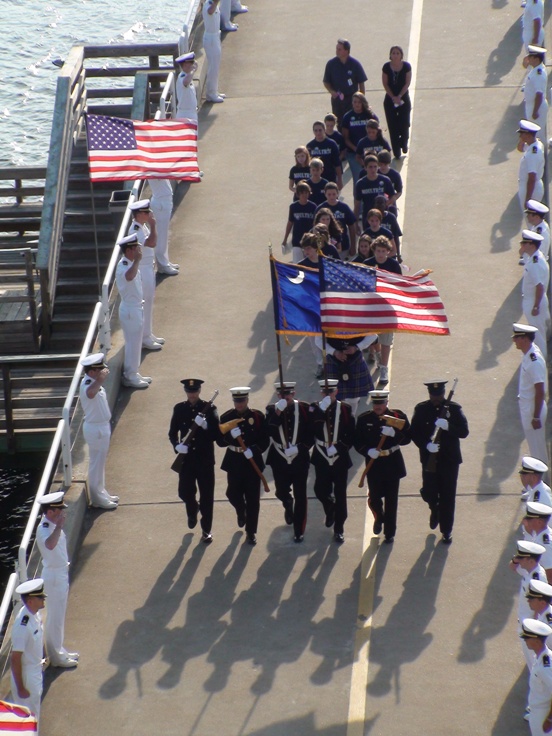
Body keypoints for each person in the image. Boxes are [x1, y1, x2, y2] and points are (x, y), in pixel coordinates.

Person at [410, 380, 469, 544]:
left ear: (443, 394)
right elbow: (414, 433)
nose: (436, 398)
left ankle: (446, 530)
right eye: (433, 395)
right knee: (428, 491)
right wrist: (426, 445)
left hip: (449, 460)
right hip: (429, 458)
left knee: (448, 496)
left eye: (439, 395)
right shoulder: (421, 409)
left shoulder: (454, 409)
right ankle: (434, 508)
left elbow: (464, 432)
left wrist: (449, 426)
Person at [354, 390, 410, 543]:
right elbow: (357, 441)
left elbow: (408, 439)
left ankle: (390, 533)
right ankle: (379, 517)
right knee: (374, 498)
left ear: (387, 403)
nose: (378, 406)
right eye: (375, 403)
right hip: (374, 464)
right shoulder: (364, 419)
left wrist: (394, 434)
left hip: (392, 462)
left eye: (381, 403)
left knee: (392, 501)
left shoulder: (398, 417)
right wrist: (367, 451)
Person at [168, 378, 220, 544]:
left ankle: (206, 530)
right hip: (187, 460)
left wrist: (206, 426)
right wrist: (177, 446)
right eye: (189, 391)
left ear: (199, 392)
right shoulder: (179, 408)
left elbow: (216, 436)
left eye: (195, 391)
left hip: (205, 460)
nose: (192, 394)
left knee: (207, 497)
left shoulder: (210, 408)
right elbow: (172, 433)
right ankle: (192, 509)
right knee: (184, 492)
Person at [217, 387, 270, 545]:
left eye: (242, 401)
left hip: (252, 462)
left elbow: (265, 440)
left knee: (253, 499)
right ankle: (241, 510)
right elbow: (219, 441)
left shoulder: (257, 416)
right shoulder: (227, 417)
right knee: (232, 493)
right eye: (236, 401)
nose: (239, 404)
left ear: (247, 400)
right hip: (234, 460)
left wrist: (254, 450)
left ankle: (251, 531)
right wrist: (228, 437)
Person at [265, 382, 314, 542]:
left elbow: (311, 434)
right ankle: (287, 502)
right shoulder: (272, 410)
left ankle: (299, 530)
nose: (285, 397)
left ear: (293, 394)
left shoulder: (304, 409)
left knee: (301, 495)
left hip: (299, 458)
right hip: (279, 457)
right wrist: (278, 412)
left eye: (288, 394)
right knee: (280, 491)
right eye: (281, 395)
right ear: (278, 396)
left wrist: (300, 448)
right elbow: (270, 430)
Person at [36, 491, 79, 669]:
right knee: (54, 618)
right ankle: (56, 657)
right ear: (51, 512)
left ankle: (59, 650)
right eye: (59, 511)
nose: (62, 513)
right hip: (53, 577)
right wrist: (59, 527)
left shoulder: (51, 525)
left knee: (59, 616)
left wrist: (58, 526)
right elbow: (50, 545)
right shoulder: (45, 527)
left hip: (60, 573)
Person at [309, 379, 355, 543]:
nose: (328, 394)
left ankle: (339, 528)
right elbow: (312, 429)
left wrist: (341, 447)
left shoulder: (345, 408)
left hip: (339, 456)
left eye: (331, 391)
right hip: (321, 454)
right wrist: (321, 409)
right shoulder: (314, 407)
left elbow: (351, 433)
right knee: (320, 489)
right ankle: (330, 508)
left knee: (340, 493)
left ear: (336, 391)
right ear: (322, 393)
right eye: (325, 392)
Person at [79, 353, 119, 508]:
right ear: (91, 372)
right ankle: (97, 498)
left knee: (100, 462)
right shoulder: (88, 384)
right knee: (96, 463)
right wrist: (100, 380)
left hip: (102, 427)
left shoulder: (94, 382)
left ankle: (101, 493)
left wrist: (100, 380)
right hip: (96, 429)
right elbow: (90, 393)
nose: (103, 372)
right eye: (100, 370)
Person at [363, 236, 402, 385]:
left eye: (383, 251)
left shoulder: (394, 265)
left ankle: (384, 367)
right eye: (378, 251)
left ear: (388, 251)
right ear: (374, 251)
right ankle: (377, 354)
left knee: (386, 340)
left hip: (387, 308)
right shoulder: (367, 264)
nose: (380, 254)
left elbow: (399, 286)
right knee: (372, 337)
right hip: (371, 307)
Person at [128, 199, 164, 351]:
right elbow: (152, 243)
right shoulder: (136, 230)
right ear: (139, 214)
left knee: (149, 302)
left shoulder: (141, 227)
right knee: (146, 303)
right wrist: (154, 225)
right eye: (146, 212)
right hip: (143, 270)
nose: (149, 214)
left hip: (148, 267)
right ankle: (144, 338)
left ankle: (148, 333)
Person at [115, 235, 151, 389]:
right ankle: (130, 376)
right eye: (136, 247)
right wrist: (137, 260)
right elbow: (129, 277)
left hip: (135, 308)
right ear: (129, 250)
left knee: (136, 343)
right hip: (130, 310)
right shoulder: (124, 265)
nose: (139, 249)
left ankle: (134, 372)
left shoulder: (130, 263)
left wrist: (136, 261)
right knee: (132, 343)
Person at [10, 579, 46, 724]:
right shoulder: (22, 626)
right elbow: (15, 658)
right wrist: (20, 688)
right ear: (30, 601)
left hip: (35, 670)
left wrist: (44, 655)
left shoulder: (34, 613)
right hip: (27, 677)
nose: (43, 599)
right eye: (40, 597)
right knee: (29, 719)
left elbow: (38, 636)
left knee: (34, 714)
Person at [315, 334, 378, 416]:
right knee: (332, 395)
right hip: (333, 359)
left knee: (353, 397)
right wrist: (334, 351)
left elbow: (373, 335)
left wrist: (357, 347)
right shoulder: (327, 321)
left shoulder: (359, 320)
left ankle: (350, 418)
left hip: (355, 359)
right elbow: (318, 340)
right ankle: (336, 420)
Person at [512, 323, 548, 464]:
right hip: (529, 407)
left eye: (517, 338)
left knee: (537, 450)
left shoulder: (534, 361)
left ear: (525, 339)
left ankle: (541, 481)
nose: (514, 340)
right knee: (535, 448)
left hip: (533, 410)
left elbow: (540, 390)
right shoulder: (529, 353)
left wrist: (536, 417)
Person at [509, 540, 548, 668]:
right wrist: (516, 559)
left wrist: (533, 627)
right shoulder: (528, 570)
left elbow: (540, 604)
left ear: (530, 560)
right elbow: (512, 567)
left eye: (521, 558)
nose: (519, 560)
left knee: (535, 664)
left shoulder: (537, 578)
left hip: (530, 626)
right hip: (524, 621)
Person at [322, 39, 367, 125]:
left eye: (340, 49)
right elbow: (326, 82)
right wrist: (332, 92)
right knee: (340, 123)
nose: (337, 51)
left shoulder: (355, 64)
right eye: (336, 49)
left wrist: (361, 99)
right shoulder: (331, 64)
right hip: (338, 99)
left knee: (352, 122)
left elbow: (361, 82)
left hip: (352, 99)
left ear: (347, 51)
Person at [519, 618, 552, 735]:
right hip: (537, 711)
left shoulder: (545, 666)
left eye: (527, 638)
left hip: (542, 714)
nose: (525, 640)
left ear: (537, 641)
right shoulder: (540, 657)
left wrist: (549, 720)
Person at [520, 229, 550, 355]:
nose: (521, 245)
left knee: (538, 337)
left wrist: (536, 306)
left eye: (524, 243)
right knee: (539, 332)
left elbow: (540, 287)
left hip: (534, 302)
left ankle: (540, 359)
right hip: (534, 299)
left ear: (531, 245)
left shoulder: (535, 264)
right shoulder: (535, 257)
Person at [381, 45, 412, 159]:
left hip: (403, 98)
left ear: (401, 55)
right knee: (393, 126)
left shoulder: (406, 66)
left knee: (404, 123)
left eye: (397, 53)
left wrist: (399, 96)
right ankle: (396, 151)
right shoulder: (386, 67)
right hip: (390, 99)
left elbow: (407, 83)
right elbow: (385, 83)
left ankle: (404, 143)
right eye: (393, 53)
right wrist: (393, 97)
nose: (395, 55)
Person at [341, 92, 379, 182]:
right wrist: (356, 149)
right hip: (354, 153)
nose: (357, 104)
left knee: (373, 178)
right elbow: (345, 138)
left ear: (363, 103)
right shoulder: (348, 117)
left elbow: (377, 133)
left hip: (370, 151)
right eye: (354, 102)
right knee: (358, 179)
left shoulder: (370, 116)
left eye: (359, 102)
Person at [354, 155, 395, 232]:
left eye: (375, 167)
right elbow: (357, 205)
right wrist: (356, 223)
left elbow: (392, 197)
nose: (373, 169)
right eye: (370, 167)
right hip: (368, 218)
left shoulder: (385, 180)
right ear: (365, 168)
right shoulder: (360, 183)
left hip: (383, 217)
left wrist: (386, 205)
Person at [317, 182, 357, 257]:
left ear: (337, 194)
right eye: (329, 194)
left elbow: (351, 227)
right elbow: (315, 226)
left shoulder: (344, 207)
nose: (332, 197)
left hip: (343, 246)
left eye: (334, 194)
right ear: (325, 194)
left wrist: (353, 246)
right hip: (324, 249)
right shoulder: (320, 208)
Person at [149, 179, 179, 276]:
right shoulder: (154, 167)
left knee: (163, 235)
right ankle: (162, 265)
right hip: (160, 203)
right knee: (161, 236)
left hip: (164, 201)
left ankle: (164, 261)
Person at [282, 181, 317, 263]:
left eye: (306, 193)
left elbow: (315, 224)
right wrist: (285, 239)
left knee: (310, 264)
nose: (304, 195)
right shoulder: (293, 207)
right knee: (297, 264)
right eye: (302, 193)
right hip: (297, 240)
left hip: (310, 241)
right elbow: (290, 223)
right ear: (298, 194)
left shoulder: (313, 207)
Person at [306, 122, 343, 189]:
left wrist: (339, 179)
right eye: (315, 130)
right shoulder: (310, 146)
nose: (318, 132)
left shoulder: (331, 144)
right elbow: (307, 165)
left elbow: (337, 163)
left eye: (320, 130)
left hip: (330, 177)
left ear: (324, 130)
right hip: (315, 179)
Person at [518, 119, 545, 210]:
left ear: (528, 135)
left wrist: (528, 199)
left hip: (531, 189)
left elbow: (532, 177)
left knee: (530, 220)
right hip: (530, 186)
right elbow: (520, 148)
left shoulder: (532, 154)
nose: (520, 136)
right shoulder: (534, 145)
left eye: (522, 134)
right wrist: (522, 140)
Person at [522, 502, 552, 584]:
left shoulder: (545, 543)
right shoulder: (539, 534)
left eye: (529, 519)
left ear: (539, 522)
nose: (526, 521)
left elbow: (550, 575)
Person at [203, 0, 225, 103]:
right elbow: (210, 11)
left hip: (215, 36)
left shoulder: (213, 4)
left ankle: (214, 91)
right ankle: (211, 93)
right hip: (211, 38)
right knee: (213, 66)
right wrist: (216, 3)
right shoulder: (209, 4)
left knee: (216, 66)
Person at [524, 46, 548, 129]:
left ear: (536, 59)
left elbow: (539, 94)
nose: (528, 58)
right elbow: (525, 65)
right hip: (532, 105)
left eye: (530, 57)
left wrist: (535, 111)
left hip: (537, 107)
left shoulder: (539, 74)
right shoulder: (536, 68)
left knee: (537, 134)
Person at [174, 52, 199, 122]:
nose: (193, 64)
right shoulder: (182, 76)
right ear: (185, 64)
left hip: (191, 112)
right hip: (185, 114)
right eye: (191, 63)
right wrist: (193, 70)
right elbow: (185, 82)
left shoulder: (188, 75)